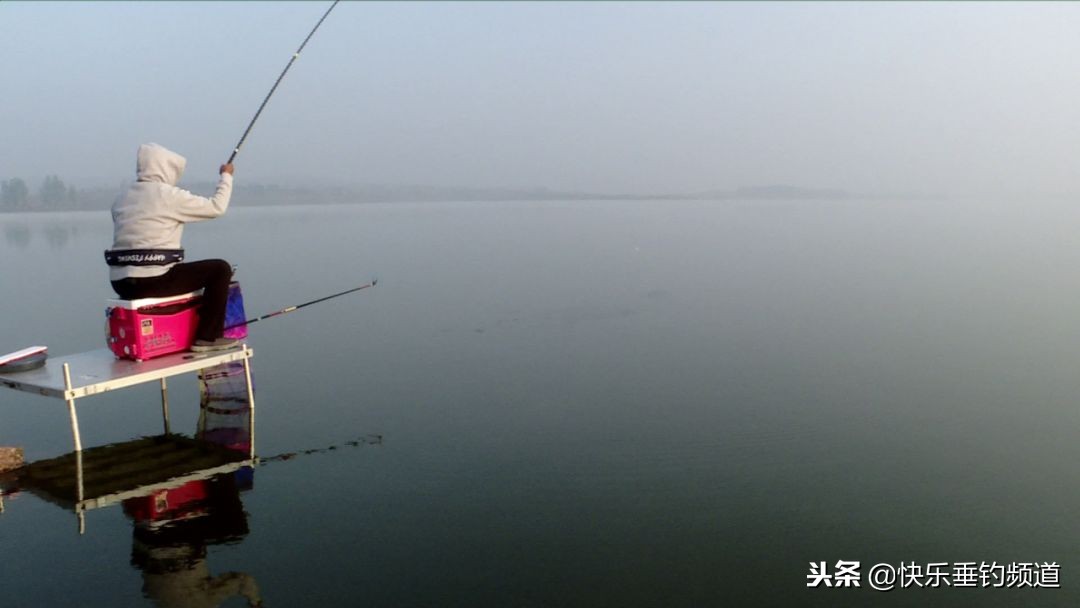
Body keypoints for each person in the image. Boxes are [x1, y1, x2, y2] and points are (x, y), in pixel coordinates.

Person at [106, 143, 238, 352]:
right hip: (154, 280)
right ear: (166, 169)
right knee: (220, 270)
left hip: (121, 284)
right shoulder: (169, 195)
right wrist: (226, 177)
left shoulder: (122, 198)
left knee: (184, 272)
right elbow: (216, 207)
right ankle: (207, 338)